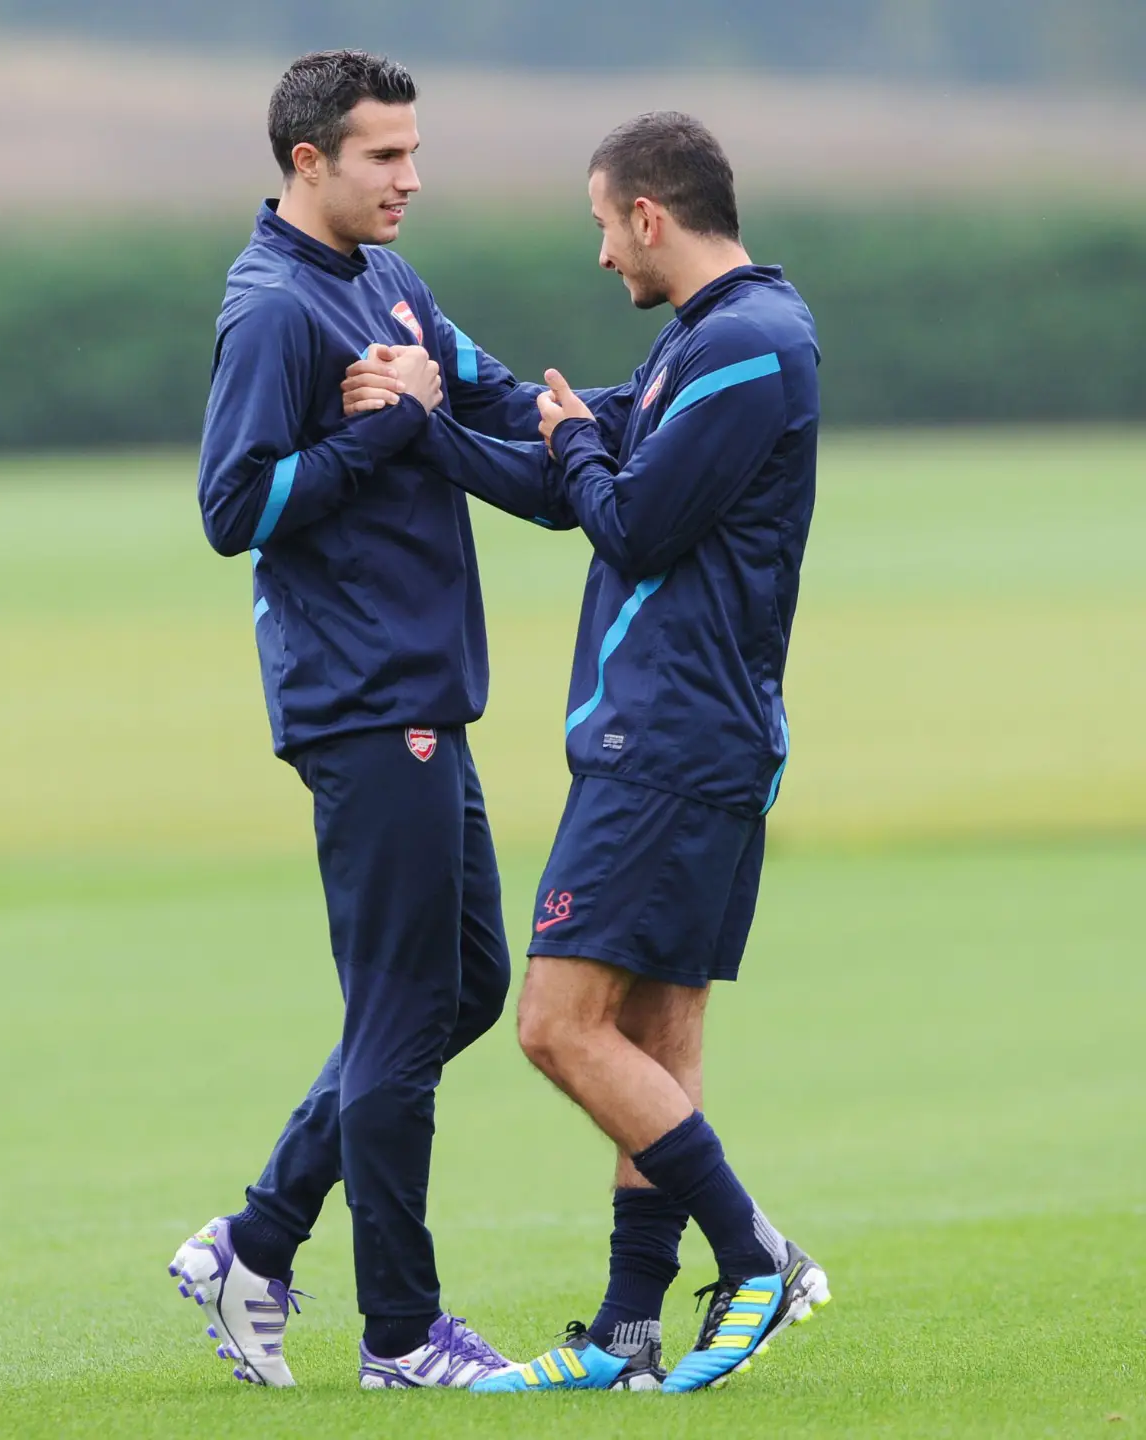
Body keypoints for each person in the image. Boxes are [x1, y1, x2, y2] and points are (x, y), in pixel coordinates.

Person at [358, 110, 831, 1394]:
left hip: (673, 738)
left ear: (647, 216)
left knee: (557, 1028)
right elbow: (558, 467)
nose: (597, 259)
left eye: (598, 227)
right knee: (650, 1042)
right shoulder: (701, 340)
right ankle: (627, 1334)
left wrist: (570, 442)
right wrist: (428, 415)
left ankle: (754, 1257)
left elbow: (626, 520)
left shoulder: (745, 349)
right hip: (685, 737)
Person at [171, 48, 544, 1391]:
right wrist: (382, 438)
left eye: (414, 150)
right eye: (385, 155)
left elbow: (481, 392)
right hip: (363, 699)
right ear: (307, 161)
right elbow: (234, 512)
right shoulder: (272, 309)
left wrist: (607, 423)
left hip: (427, 695)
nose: (412, 177)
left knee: (471, 986)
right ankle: (400, 1337)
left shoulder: (390, 279)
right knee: (399, 1011)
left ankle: (256, 1236)